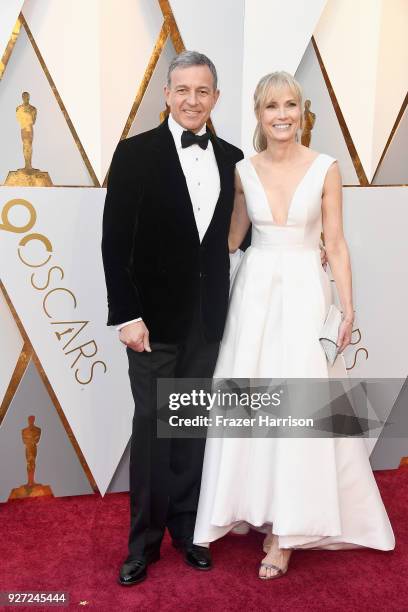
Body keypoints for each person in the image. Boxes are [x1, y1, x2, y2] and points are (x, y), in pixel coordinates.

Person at [193, 71, 395, 579]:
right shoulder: (242, 169)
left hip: (305, 292)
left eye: (290, 105)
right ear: (258, 116)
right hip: (254, 295)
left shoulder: (326, 168)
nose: (281, 115)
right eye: (270, 107)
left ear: (302, 113)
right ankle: (250, 504)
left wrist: (347, 309)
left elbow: (337, 242)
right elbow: (232, 239)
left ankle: (285, 533)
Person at [101, 50, 244, 586]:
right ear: (166, 94)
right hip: (151, 324)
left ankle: (187, 530)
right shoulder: (135, 154)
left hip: (207, 322)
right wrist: (127, 314)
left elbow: (237, 237)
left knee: (189, 430)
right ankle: (142, 543)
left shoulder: (232, 157)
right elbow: (115, 243)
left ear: (216, 98)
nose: (192, 100)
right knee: (152, 432)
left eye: (202, 91)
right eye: (182, 90)